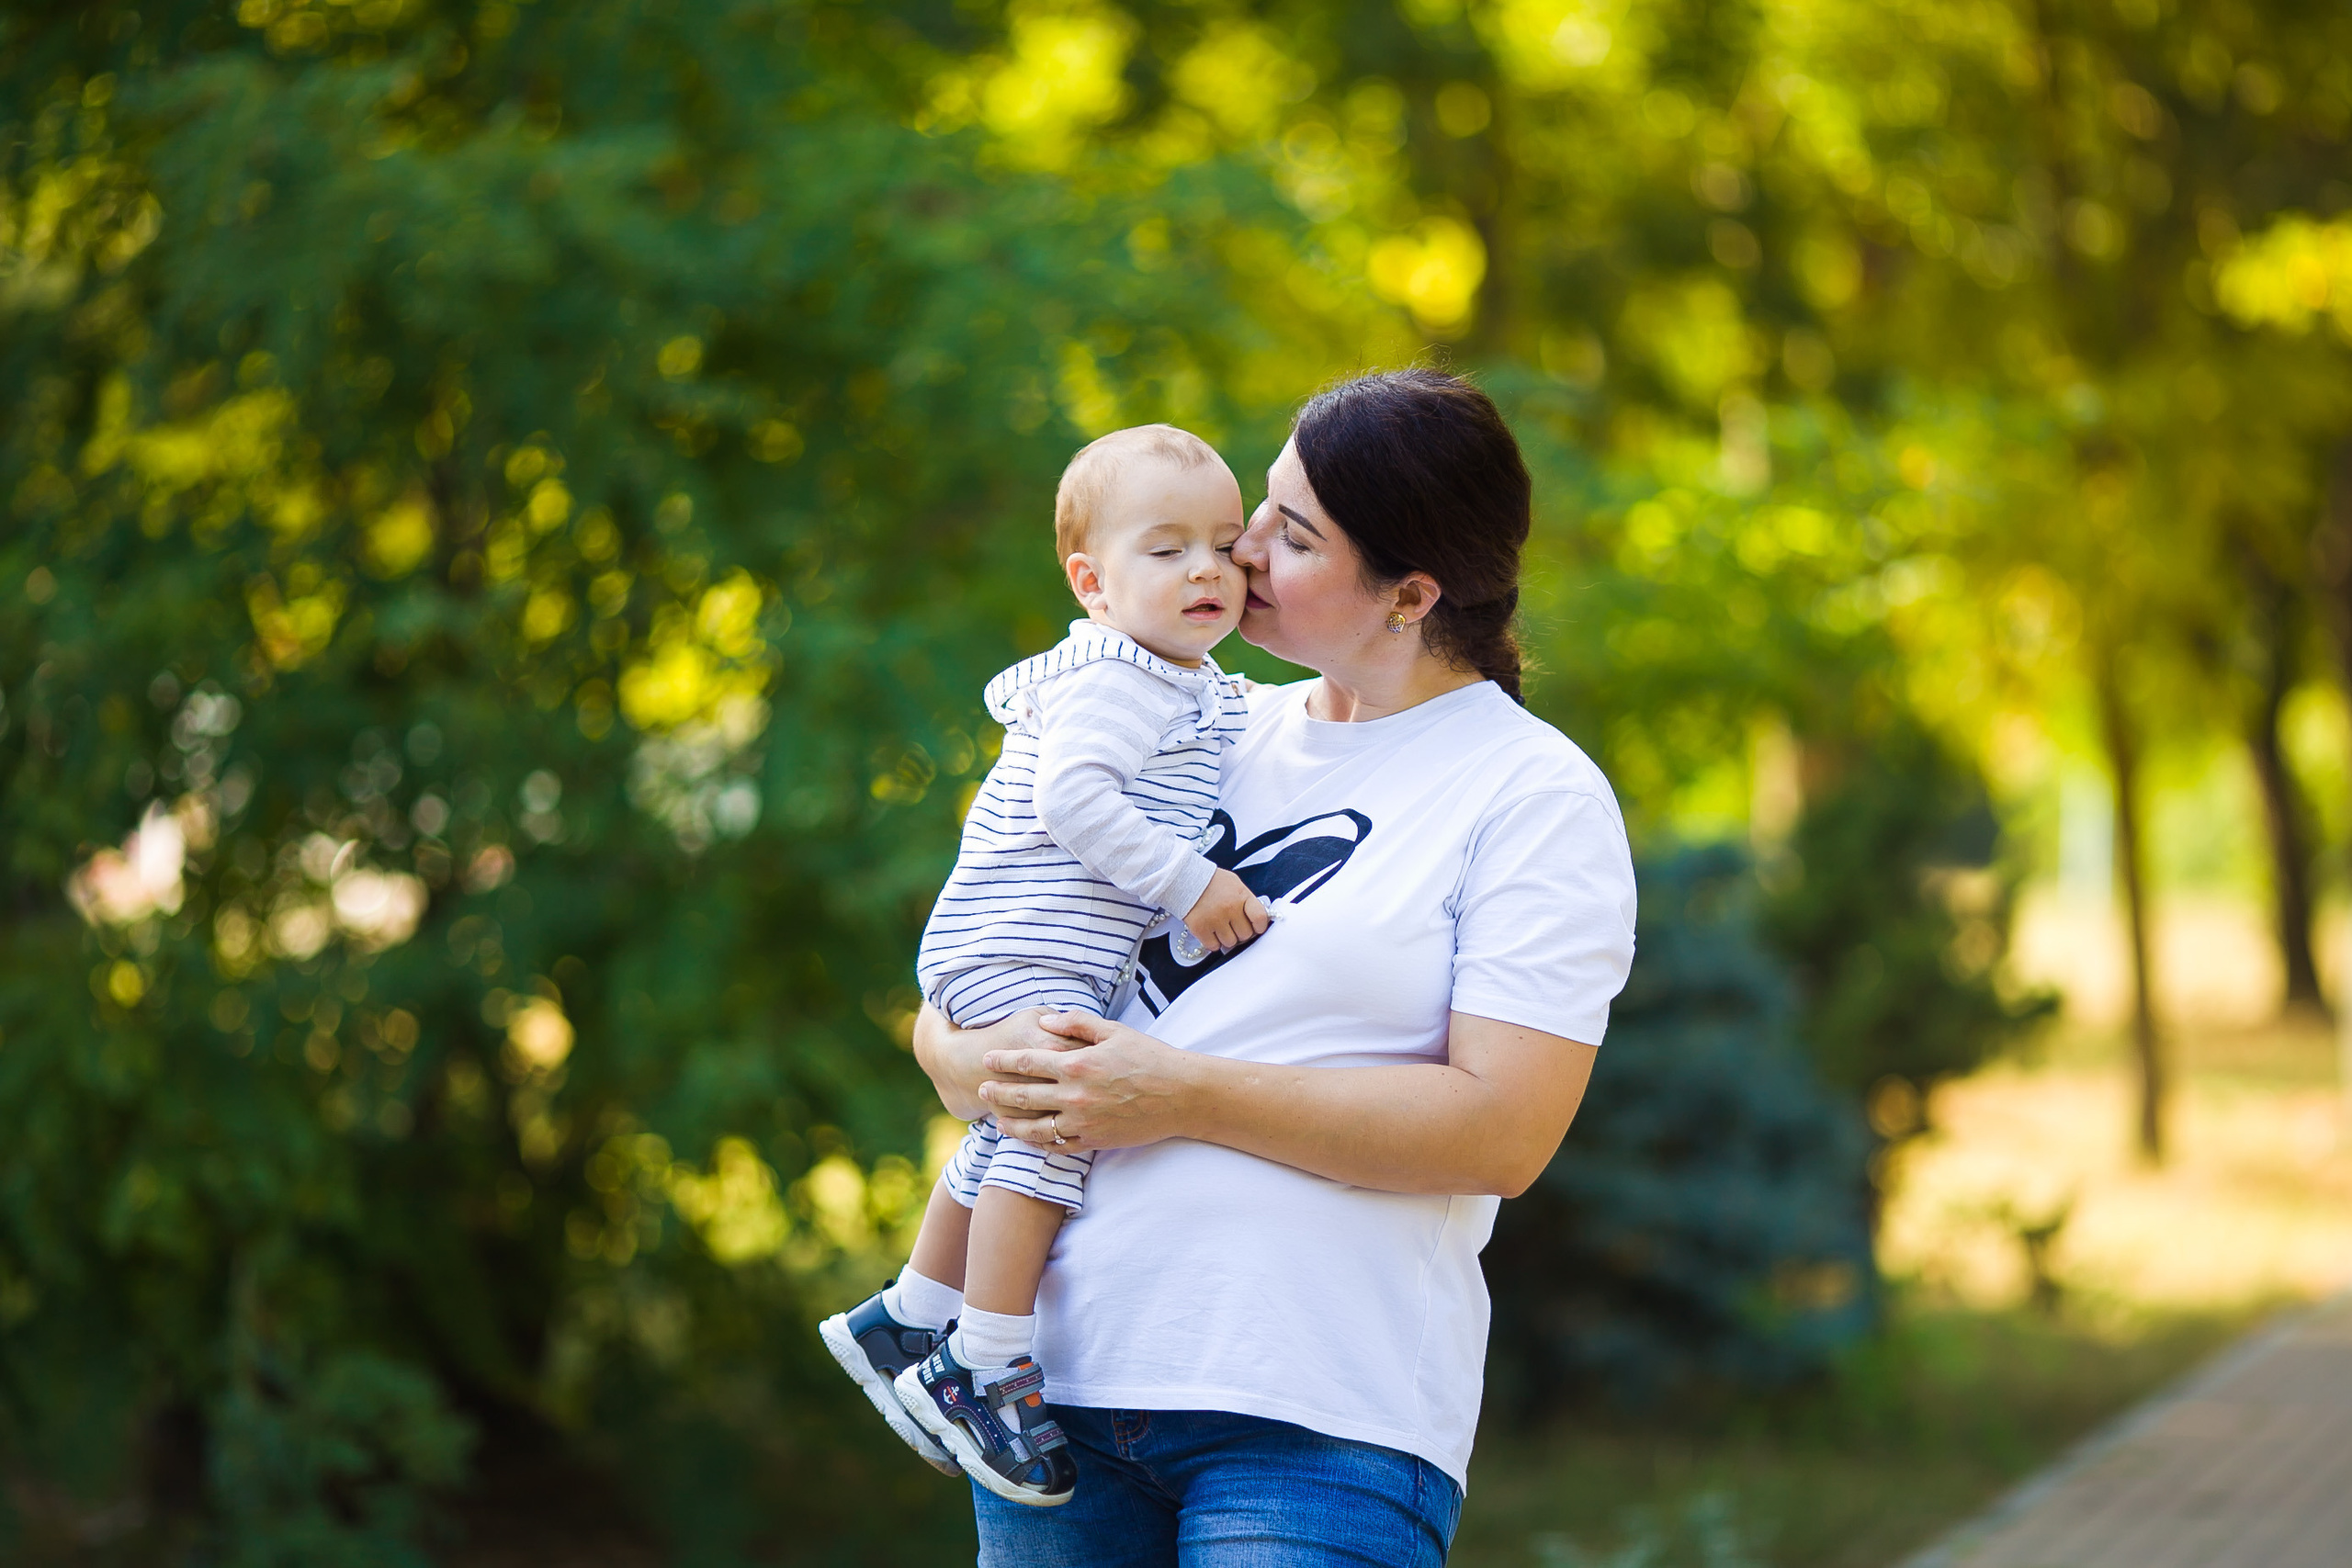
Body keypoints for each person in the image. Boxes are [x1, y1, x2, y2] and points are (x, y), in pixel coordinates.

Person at [910, 368, 1638, 1565]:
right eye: (1262, 505)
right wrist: (961, 1047)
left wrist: (1180, 1093)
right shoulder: (1190, 720)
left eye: (1292, 535)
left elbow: (1503, 1132)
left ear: (1409, 594)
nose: (1239, 549)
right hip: (1055, 1397)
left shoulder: (1531, 793)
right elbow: (987, 962)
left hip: (1314, 1417)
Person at [820, 423, 1273, 1507]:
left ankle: (908, 1317)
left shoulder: (1184, 679)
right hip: (1018, 943)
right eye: (1165, 549)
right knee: (1060, 1126)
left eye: (1224, 544)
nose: (1206, 569)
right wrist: (1190, 884)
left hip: (1027, 948)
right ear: (1091, 583)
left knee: (1012, 1125)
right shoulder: (1115, 677)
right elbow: (1073, 799)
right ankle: (983, 1361)